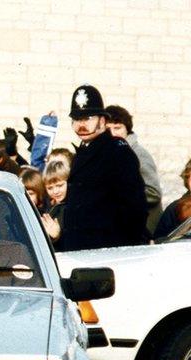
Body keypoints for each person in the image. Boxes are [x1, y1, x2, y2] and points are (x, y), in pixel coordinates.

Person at [59, 84, 147, 251]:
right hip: (80, 250)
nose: (81, 125)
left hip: (106, 252)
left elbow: (135, 209)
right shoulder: (84, 151)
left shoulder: (117, 151)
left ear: (103, 120)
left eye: (88, 118)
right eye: (77, 119)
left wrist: (122, 251)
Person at [104, 105, 163, 235]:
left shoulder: (139, 154)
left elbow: (154, 193)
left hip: (144, 228)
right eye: (108, 128)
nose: (112, 133)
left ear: (127, 129)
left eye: (117, 127)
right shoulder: (110, 153)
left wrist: (115, 195)